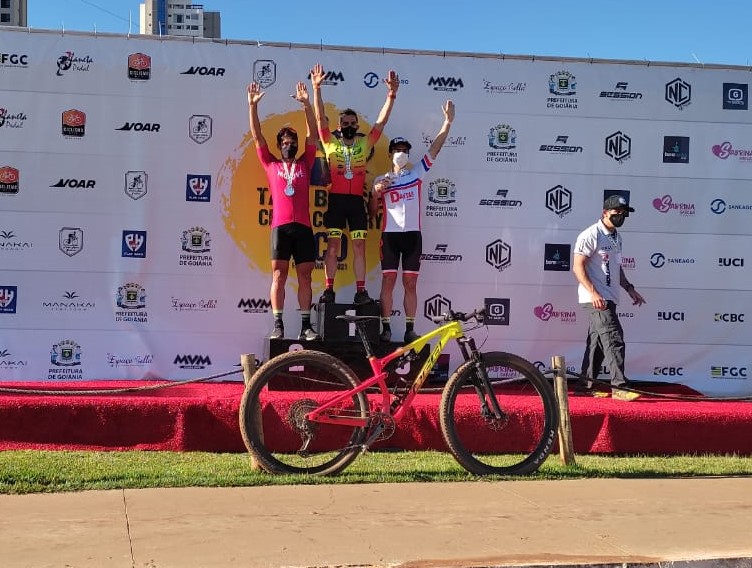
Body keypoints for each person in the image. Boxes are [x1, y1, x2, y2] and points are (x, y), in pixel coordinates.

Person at [310, 62, 401, 306]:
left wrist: (391, 96)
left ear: (357, 126)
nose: (349, 126)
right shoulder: (330, 142)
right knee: (332, 247)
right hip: (336, 201)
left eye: (352, 123)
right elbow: (319, 117)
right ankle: (329, 290)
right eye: (345, 123)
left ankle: (361, 291)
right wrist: (316, 89)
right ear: (338, 127)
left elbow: (381, 123)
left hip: (356, 203)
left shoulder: (364, 143)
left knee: (359, 246)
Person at [369, 101, 455, 343]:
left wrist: (447, 123)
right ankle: (386, 328)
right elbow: (372, 213)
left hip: (413, 236)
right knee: (388, 280)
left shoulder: (417, 173)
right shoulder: (381, 179)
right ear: (390, 154)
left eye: (405, 150)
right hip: (390, 236)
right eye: (397, 149)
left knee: (410, 283)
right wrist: (375, 193)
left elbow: (435, 149)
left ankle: (409, 329)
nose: (401, 153)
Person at [247, 80, 320, 341]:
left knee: (305, 276)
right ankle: (278, 324)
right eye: (285, 142)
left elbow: (313, 135)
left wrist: (306, 104)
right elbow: (257, 136)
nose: (289, 145)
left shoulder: (306, 162)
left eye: (293, 142)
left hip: (304, 227)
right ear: (279, 146)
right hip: (280, 227)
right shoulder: (270, 164)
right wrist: (252, 106)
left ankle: (305, 326)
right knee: (279, 274)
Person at [572, 195, 647, 400]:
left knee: (597, 343)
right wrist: (594, 293)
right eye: (616, 213)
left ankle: (584, 386)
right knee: (614, 338)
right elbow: (577, 266)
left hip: (609, 297)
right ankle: (620, 387)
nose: (620, 216)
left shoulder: (616, 237)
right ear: (605, 213)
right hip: (596, 298)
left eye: (624, 213)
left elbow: (616, 267)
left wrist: (629, 288)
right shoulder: (591, 234)